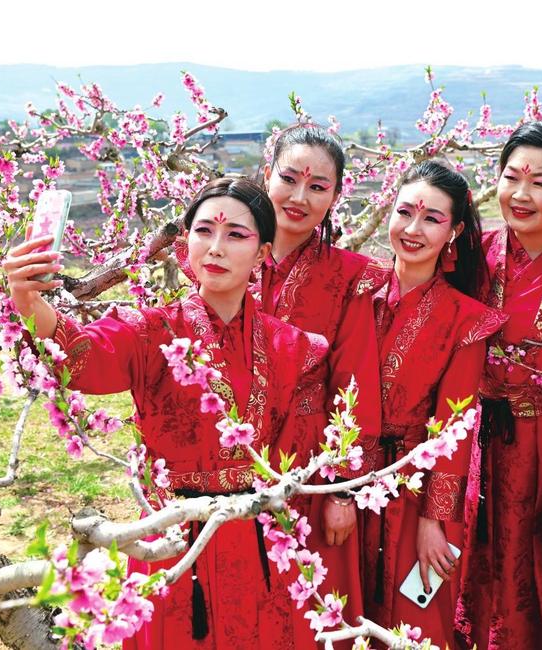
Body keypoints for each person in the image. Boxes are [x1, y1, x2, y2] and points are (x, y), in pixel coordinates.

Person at [3, 178, 330, 649]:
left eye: (236, 234)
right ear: (185, 242)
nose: (216, 247)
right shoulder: (151, 331)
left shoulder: (295, 347)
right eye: (204, 231)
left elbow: (304, 453)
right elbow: (82, 357)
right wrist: (29, 301)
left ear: (262, 253)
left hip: (258, 540)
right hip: (170, 538)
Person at [175, 124, 384, 638]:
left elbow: (354, 385)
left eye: (318, 186)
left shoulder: (350, 276)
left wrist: (341, 492)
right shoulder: (224, 254)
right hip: (223, 456)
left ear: (336, 196)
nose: (299, 197)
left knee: (304, 603)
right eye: (289, 179)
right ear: (266, 175)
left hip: (309, 463)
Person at [455, 121, 542, 650]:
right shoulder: (471, 256)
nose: (521, 194)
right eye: (511, 177)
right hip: (476, 442)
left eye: (540, 183)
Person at [361, 160, 506, 646]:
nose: (413, 229)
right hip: (344, 485)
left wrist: (434, 522)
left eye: (432, 219)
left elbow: (452, 430)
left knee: (414, 628)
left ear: (455, 231)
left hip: (416, 491)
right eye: (405, 212)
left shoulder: (466, 319)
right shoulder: (357, 292)